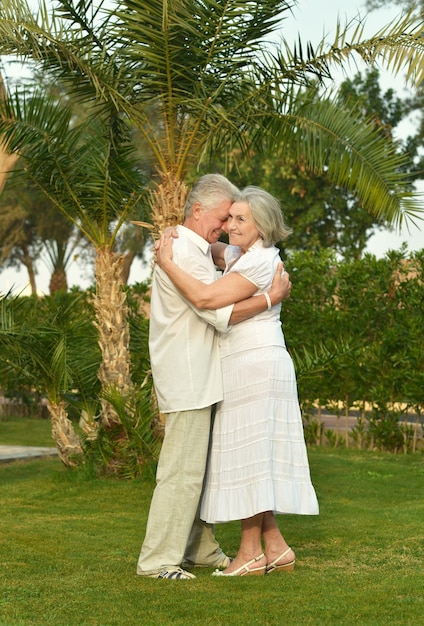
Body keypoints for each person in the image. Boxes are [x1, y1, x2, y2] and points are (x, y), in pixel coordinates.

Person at [155, 185, 319, 577]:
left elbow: (209, 299)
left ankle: (249, 554)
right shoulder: (240, 254)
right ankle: (275, 546)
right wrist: (172, 233)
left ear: (261, 226)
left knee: (249, 460)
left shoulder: (259, 263)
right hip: (247, 365)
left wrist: (166, 262)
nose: (229, 225)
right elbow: (204, 244)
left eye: (240, 219)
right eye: (228, 218)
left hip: (255, 366)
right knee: (253, 458)